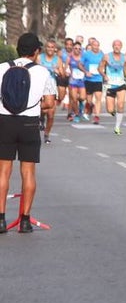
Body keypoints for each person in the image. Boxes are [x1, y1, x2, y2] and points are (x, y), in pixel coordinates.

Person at [0, 34, 56, 233]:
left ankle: (1, 219)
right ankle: (25, 220)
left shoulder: (2, 68)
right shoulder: (43, 72)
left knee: (3, 171)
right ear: (36, 51)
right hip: (29, 124)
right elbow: (49, 103)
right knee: (28, 172)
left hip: (4, 122)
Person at [36, 39, 64, 144]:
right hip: (40, 84)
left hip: (51, 84)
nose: (50, 49)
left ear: (55, 49)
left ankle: (47, 134)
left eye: (52, 47)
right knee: (45, 106)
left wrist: (58, 71)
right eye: (48, 47)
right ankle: (41, 117)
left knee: (51, 114)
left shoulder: (58, 60)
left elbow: (63, 74)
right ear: (45, 48)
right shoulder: (39, 58)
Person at [102, 39, 126, 136]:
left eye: (119, 45)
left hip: (121, 84)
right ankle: (114, 112)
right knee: (110, 109)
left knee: (121, 105)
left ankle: (117, 127)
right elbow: (99, 68)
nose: (117, 47)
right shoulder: (106, 57)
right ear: (113, 46)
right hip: (110, 84)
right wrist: (104, 75)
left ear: (121, 47)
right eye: (115, 45)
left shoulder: (125, 58)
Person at [81, 37, 105, 124]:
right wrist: (85, 72)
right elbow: (80, 64)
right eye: (94, 45)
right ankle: (90, 106)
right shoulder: (86, 54)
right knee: (89, 100)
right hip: (88, 79)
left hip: (98, 79)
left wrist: (104, 74)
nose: (96, 47)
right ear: (91, 46)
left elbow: (105, 65)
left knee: (98, 98)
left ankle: (96, 116)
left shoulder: (102, 54)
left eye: (97, 45)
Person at [65, 41, 86, 123]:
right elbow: (66, 67)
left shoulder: (83, 58)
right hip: (73, 80)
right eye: (76, 48)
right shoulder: (69, 57)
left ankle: (81, 106)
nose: (77, 50)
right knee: (74, 99)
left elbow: (86, 66)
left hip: (81, 80)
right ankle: (77, 114)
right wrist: (67, 72)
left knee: (82, 97)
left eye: (79, 49)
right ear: (73, 49)